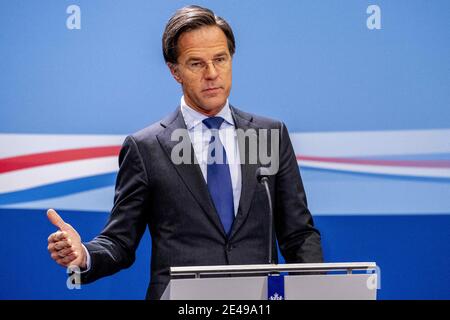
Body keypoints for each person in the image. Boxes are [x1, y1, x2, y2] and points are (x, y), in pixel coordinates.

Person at [46, 5, 323, 300]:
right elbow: (119, 242)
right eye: (196, 63)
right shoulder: (146, 148)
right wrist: (85, 255)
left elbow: (299, 235)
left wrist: (318, 291)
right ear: (174, 70)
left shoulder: (270, 135)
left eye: (221, 59)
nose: (212, 73)